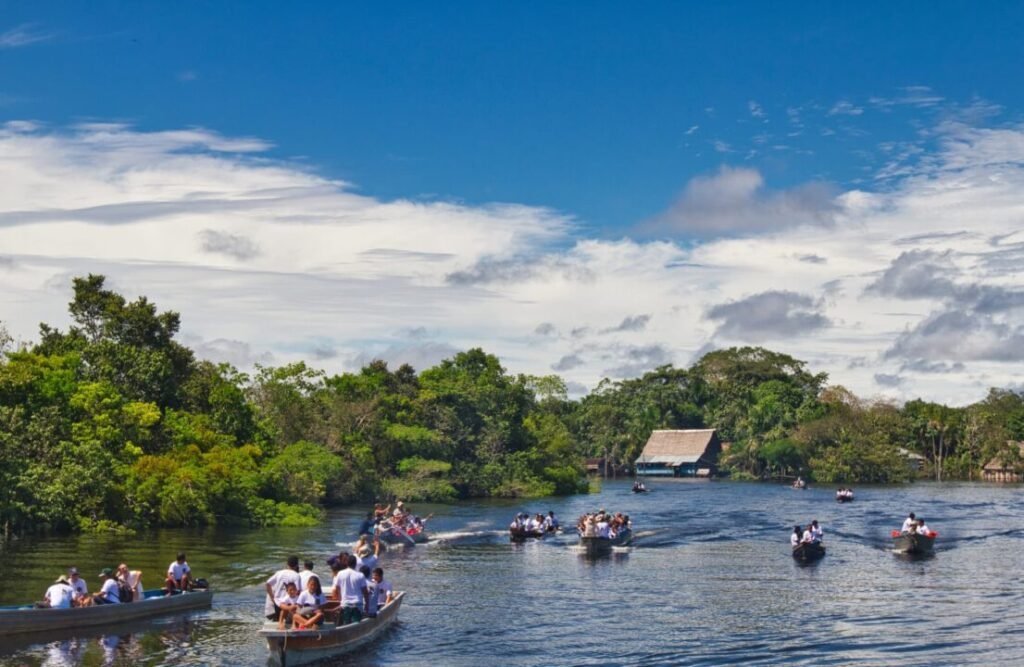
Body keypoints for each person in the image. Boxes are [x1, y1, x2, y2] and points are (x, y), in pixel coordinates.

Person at [331, 553, 369, 625]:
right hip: (358, 605)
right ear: (355, 564)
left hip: (345, 604)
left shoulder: (340, 573)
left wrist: (340, 600)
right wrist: (367, 605)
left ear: (346, 563)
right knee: (356, 625)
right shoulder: (360, 575)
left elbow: (337, 588)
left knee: (346, 624)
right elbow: (365, 592)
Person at [264, 556, 302, 621]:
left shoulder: (279, 573)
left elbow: (267, 583)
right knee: (291, 620)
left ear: (287, 564)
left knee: (279, 620)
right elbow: (298, 591)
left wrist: (272, 597)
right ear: (296, 565)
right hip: (289, 603)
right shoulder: (296, 575)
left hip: (278, 603)